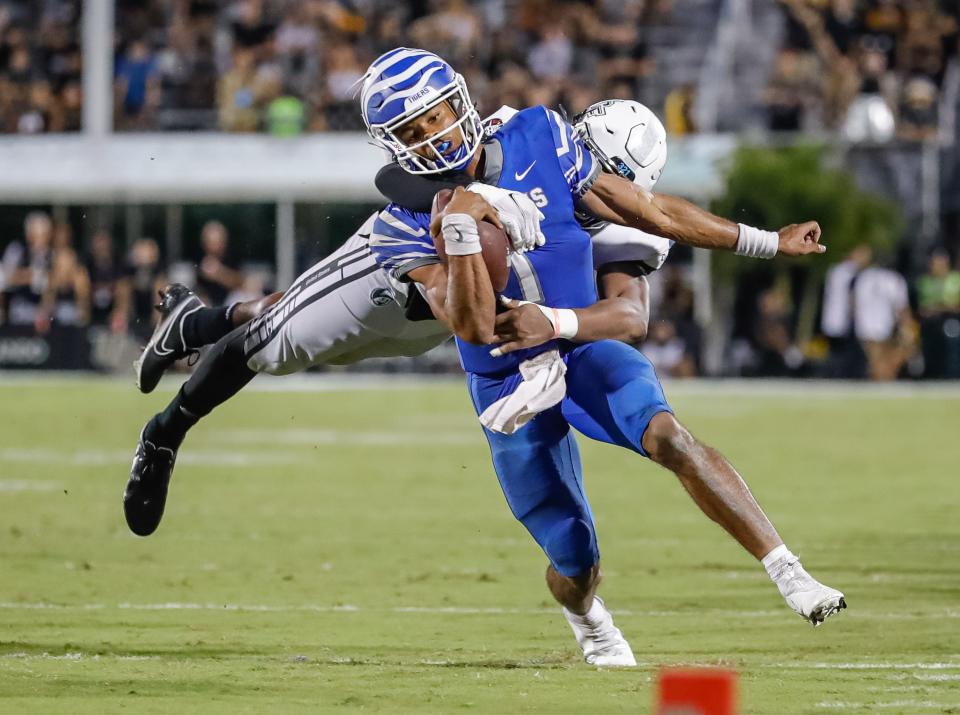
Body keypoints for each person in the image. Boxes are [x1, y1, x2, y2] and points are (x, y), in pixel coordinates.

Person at [359, 48, 843, 665]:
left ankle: (790, 572)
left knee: (668, 435)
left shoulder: (543, 135)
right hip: (507, 382)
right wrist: (458, 229)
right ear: (393, 146)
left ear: (462, 98)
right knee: (574, 555)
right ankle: (586, 615)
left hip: (581, 351)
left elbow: (651, 219)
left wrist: (766, 241)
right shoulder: (399, 225)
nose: (435, 133)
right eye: (414, 130)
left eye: (437, 114)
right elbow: (476, 327)